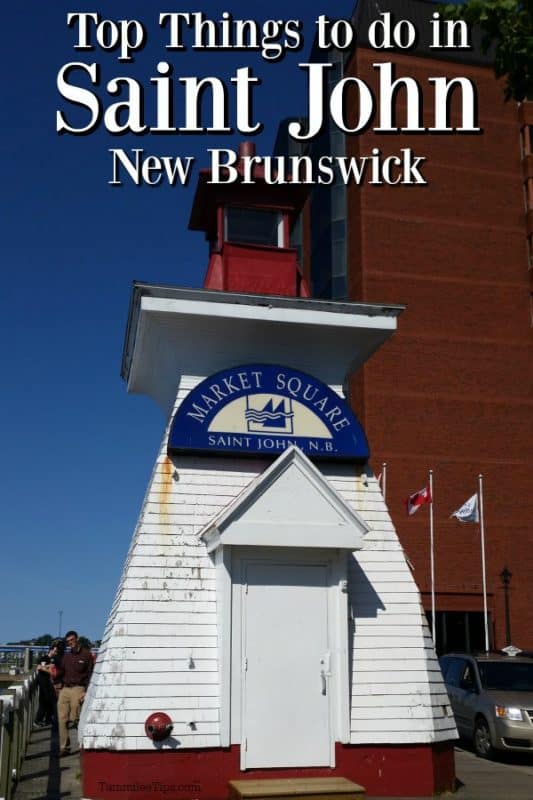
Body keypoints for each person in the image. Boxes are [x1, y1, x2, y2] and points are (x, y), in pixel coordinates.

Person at [57, 630, 93, 755]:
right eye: (68, 642)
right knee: (62, 719)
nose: (70, 643)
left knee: (75, 718)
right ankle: (64, 747)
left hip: (79, 688)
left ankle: (83, 742)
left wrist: (87, 691)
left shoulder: (86, 655)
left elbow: (91, 675)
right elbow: (60, 672)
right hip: (65, 689)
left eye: (72, 640)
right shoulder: (66, 656)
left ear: (77, 639)